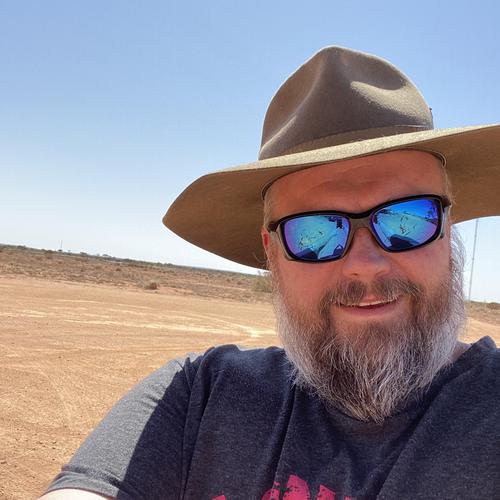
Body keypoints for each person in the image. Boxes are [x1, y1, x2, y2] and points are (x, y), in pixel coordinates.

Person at [41, 46, 500, 499]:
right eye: (315, 231)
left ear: (447, 230)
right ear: (272, 253)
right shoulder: (199, 398)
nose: (365, 263)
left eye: (408, 219)